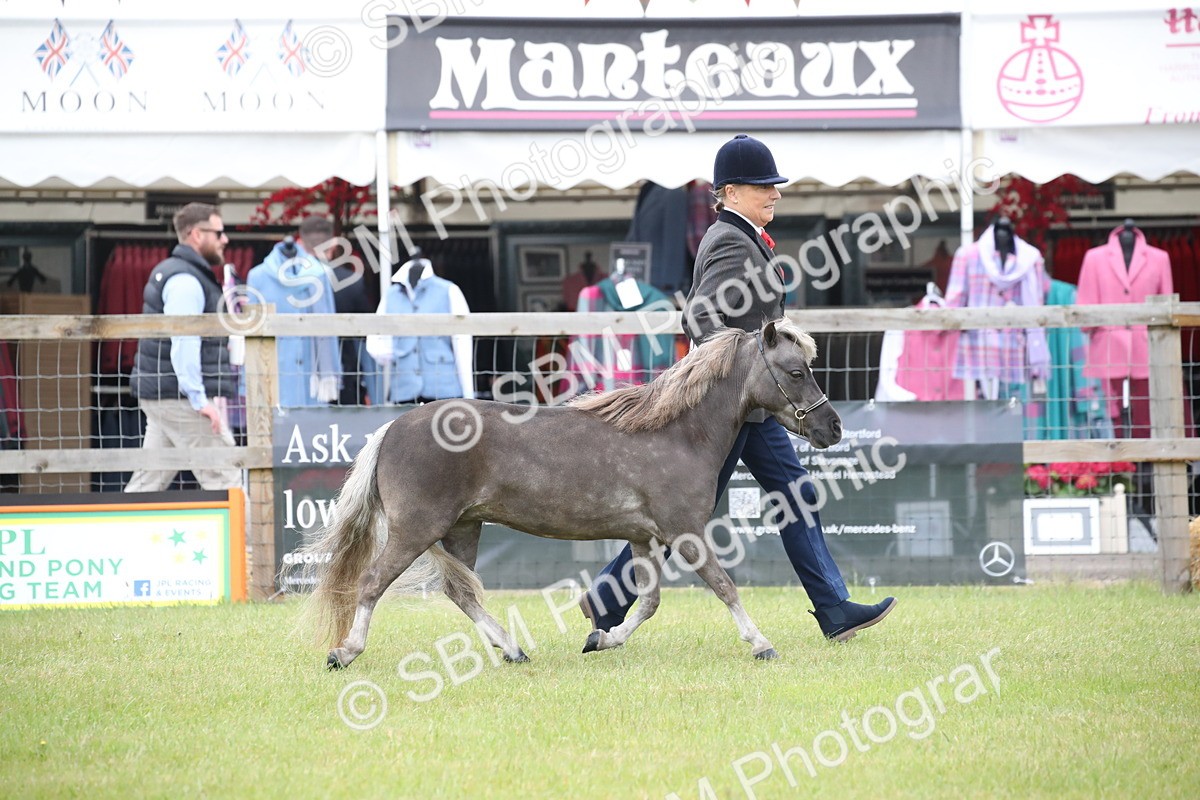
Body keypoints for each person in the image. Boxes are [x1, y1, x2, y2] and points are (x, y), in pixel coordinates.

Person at [580, 134, 897, 642]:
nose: (774, 194)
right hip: (730, 409)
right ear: (729, 193)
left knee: (797, 494)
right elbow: (701, 315)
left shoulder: (744, 236)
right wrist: (739, 376)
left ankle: (834, 608)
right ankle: (606, 599)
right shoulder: (730, 239)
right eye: (762, 187)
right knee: (680, 513)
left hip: (753, 408)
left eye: (774, 186)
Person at [125, 203, 240, 492]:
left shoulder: (183, 273)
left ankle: (115, 535)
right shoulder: (186, 279)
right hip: (178, 396)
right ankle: (250, 540)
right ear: (196, 234)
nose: (225, 239)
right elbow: (184, 342)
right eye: (219, 232)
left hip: (165, 393)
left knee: (147, 484)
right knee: (226, 477)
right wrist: (200, 401)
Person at [246, 216, 342, 407]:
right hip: (271, 376)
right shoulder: (257, 276)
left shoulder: (319, 274)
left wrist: (330, 374)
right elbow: (250, 333)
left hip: (312, 373)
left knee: (312, 434)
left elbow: (327, 327)